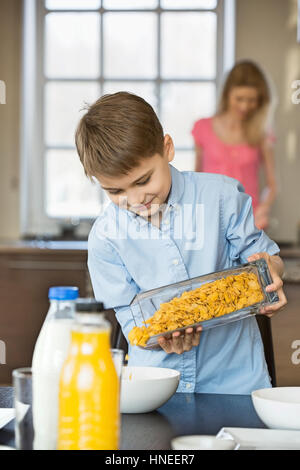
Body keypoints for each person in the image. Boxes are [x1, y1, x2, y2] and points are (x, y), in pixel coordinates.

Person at [75, 91, 287, 394]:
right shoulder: (105, 238)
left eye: (143, 180)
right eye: (114, 191)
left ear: (167, 148)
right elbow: (130, 319)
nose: (135, 200)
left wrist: (273, 271)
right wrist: (157, 335)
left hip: (235, 382)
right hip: (153, 387)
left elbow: (266, 258)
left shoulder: (222, 197)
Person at [192, 60, 277, 231]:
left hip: (249, 221)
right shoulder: (202, 128)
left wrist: (263, 208)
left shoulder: (262, 133)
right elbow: (195, 179)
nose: (245, 106)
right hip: (211, 220)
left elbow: (272, 185)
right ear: (227, 94)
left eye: (252, 100)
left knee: (258, 259)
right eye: (239, 99)